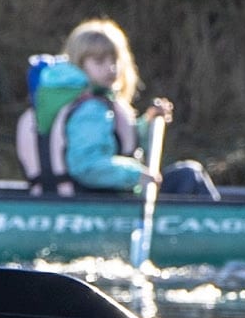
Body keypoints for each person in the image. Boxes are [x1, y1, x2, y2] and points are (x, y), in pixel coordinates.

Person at [15, 18, 218, 198]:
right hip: (94, 202)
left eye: (115, 60)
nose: (111, 68)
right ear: (80, 64)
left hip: (91, 198)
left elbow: (113, 144)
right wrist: (135, 175)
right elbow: (87, 166)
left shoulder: (91, 104)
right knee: (189, 177)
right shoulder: (91, 109)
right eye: (99, 61)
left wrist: (147, 122)